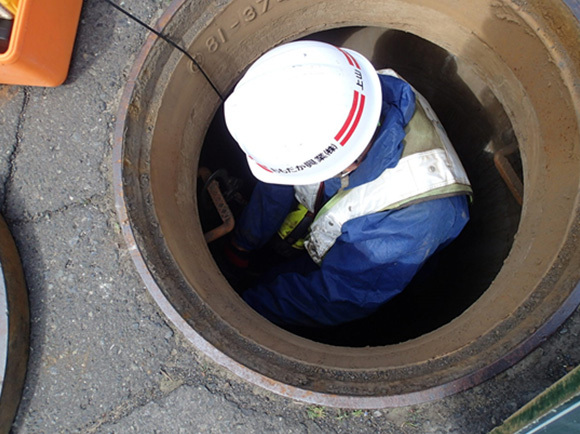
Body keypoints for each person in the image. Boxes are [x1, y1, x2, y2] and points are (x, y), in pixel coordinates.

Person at [222, 41, 472, 328]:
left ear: (346, 163)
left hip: (366, 271)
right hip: (325, 232)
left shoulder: (417, 215)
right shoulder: (340, 96)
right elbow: (279, 182)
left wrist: (242, 312)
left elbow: (338, 295)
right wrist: (243, 243)